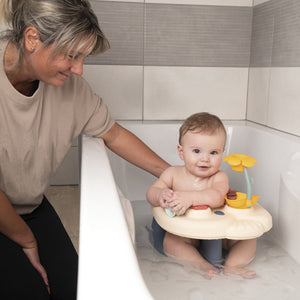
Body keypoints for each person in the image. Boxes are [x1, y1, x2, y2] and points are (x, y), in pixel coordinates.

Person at [0, 1, 170, 299]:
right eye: (71, 55)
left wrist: (171, 173)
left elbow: (113, 134)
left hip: (30, 206)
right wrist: (27, 241)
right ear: (31, 39)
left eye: (83, 57)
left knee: (75, 290)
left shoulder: (71, 90)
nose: (79, 69)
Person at [146, 112, 257, 278]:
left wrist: (190, 198)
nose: (205, 159)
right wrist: (161, 194)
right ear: (181, 152)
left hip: (218, 233)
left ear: (222, 153)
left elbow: (217, 197)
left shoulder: (219, 177)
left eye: (213, 153)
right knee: (171, 242)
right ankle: (199, 263)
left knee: (249, 238)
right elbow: (151, 193)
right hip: (184, 235)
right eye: (197, 151)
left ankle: (233, 265)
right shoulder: (172, 174)